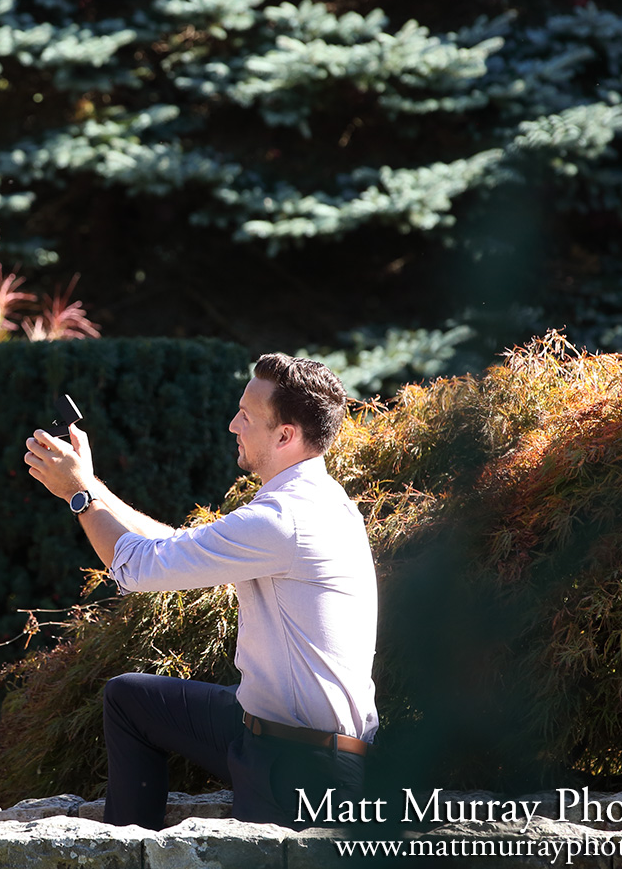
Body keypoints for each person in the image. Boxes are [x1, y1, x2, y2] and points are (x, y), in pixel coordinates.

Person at [23, 354, 377, 828]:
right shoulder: (313, 501)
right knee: (130, 699)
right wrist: (90, 484)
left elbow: (138, 568)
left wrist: (79, 498)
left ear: (285, 436)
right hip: (275, 729)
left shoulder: (283, 521)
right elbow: (171, 546)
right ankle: (127, 849)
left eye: (246, 416)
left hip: (304, 766)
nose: (233, 424)